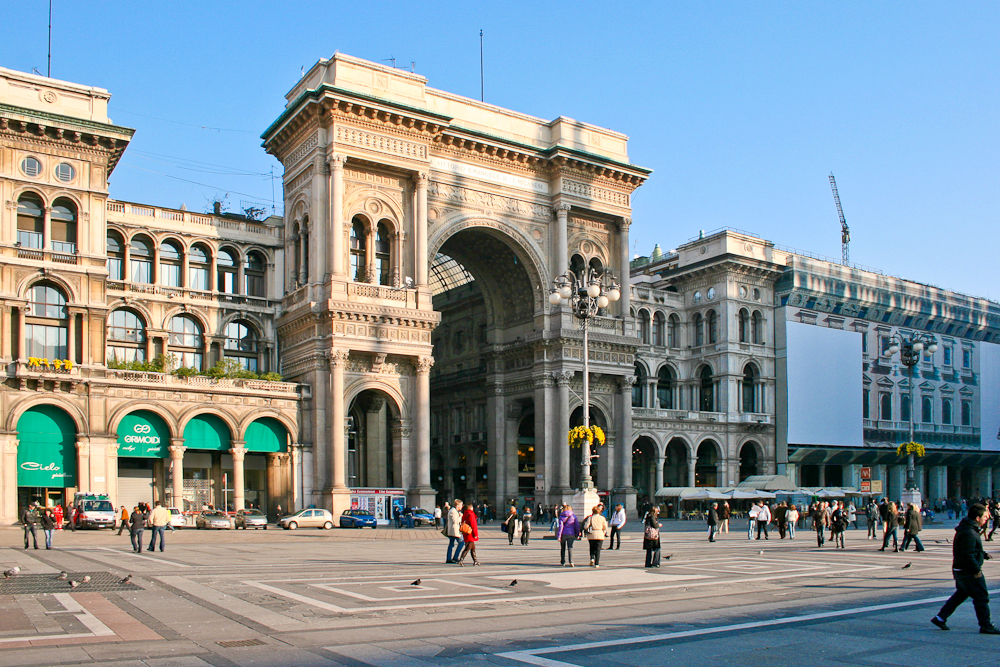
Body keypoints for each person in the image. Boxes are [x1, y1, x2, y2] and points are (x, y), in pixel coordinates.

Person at [932, 504, 1000, 634]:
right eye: (984, 518)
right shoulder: (969, 532)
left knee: (961, 594)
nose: (986, 520)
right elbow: (967, 555)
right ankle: (985, 625)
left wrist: (982, 554)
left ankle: (940, 618)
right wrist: (976, 570)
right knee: (981, 597)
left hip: (960, 570)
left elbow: (970, 549)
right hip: (968, 571)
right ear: (977, 518)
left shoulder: (968, 529)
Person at [457, 502, 480, 566]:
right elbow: (474, 525)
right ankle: (461, 560)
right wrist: (475, 534)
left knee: (473, 548)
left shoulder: (465, 514)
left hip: (466, 532)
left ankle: (475, 561)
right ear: (471, 508)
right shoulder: (471, 514)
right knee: (467, 548)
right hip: (470, 534)